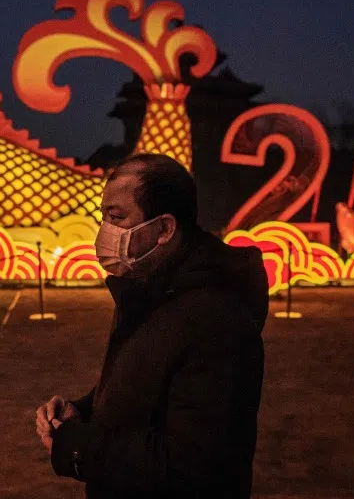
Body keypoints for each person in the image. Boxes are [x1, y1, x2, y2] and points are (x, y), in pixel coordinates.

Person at [35, 153, 268, 498]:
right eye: (104, 217)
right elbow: (147, 384)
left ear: (164, 229)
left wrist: (78, 447)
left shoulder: (215, 318)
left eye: (117, 218)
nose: (105, 232)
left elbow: (191, 464)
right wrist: (83, 411)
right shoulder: (149, 289)